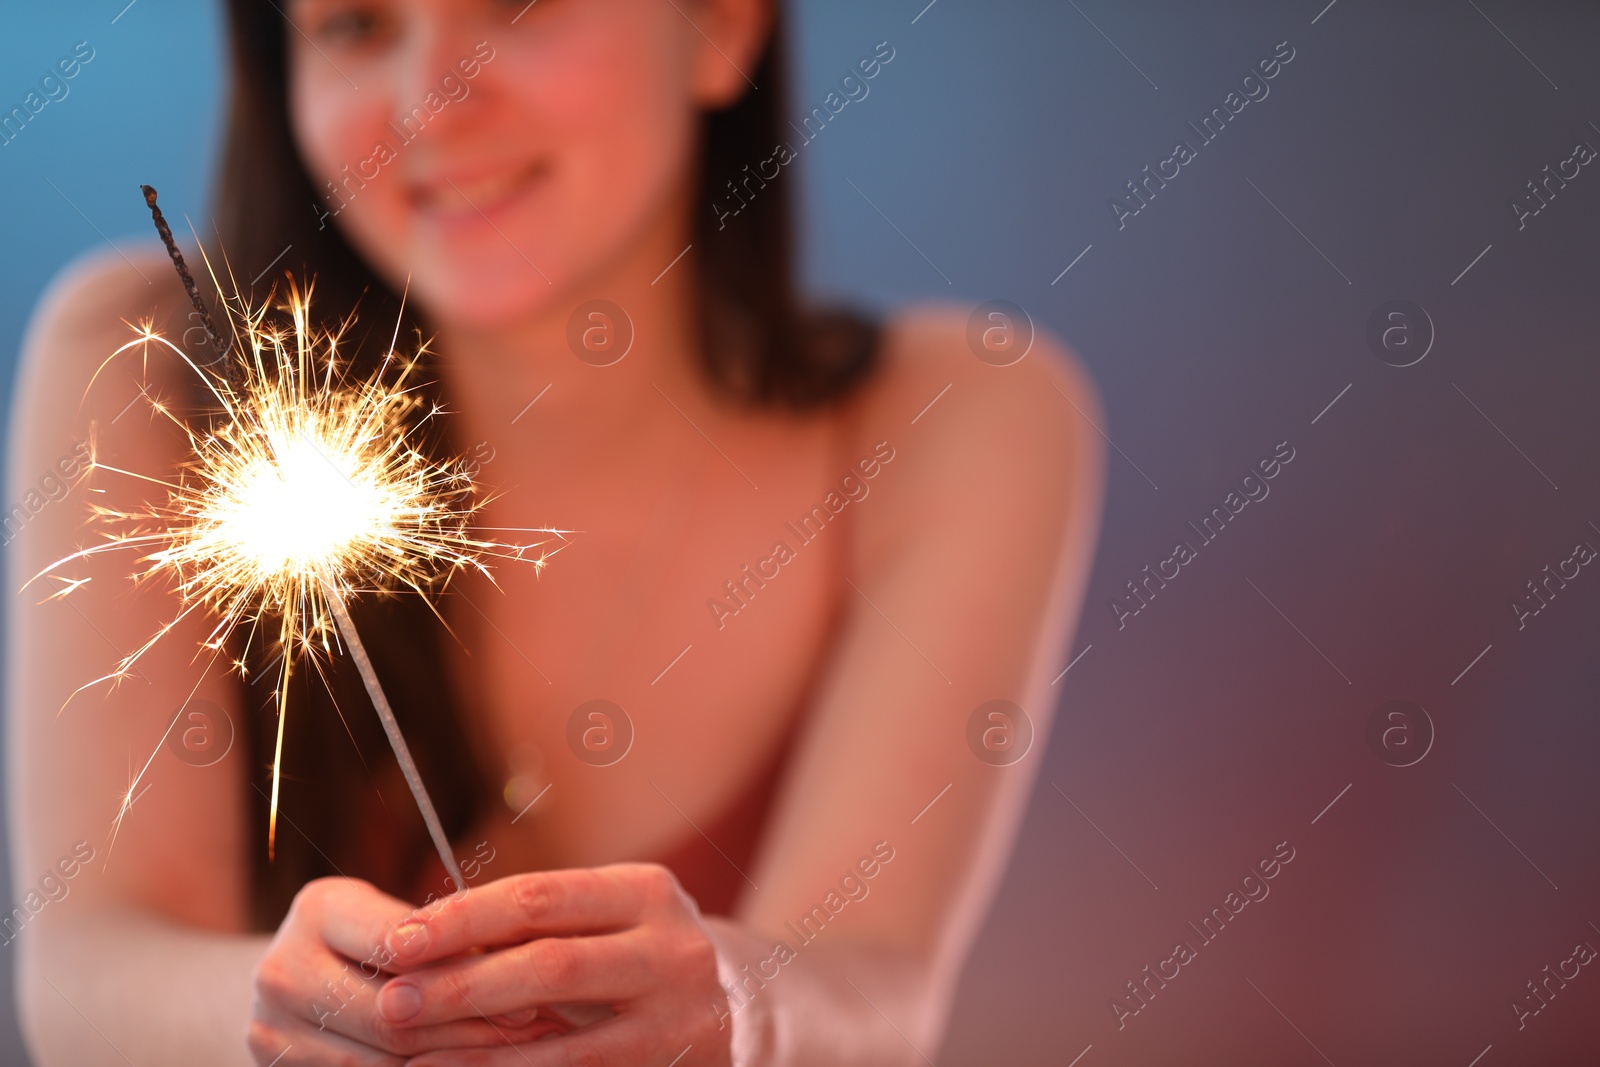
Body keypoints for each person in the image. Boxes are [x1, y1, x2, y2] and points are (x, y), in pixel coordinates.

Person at [4, 0, 1104, 1063]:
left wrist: (739, 1013)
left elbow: (878, 989)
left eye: (519, 2)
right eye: (354, 23)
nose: (430, 107)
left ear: (720, 21)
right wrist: (280, 1013)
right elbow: (85, 973)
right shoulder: (149, 367)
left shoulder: (960, 413)